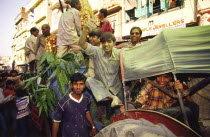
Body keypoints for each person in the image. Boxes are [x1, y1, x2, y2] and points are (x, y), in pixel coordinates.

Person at [135, 73, 201, 134]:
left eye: (166, 77)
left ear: (170, 78)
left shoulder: (171, 86)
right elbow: (142, 94)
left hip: (167, 113)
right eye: (159, 76)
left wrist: (181, 91)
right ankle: (194, 133)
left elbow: (189, 102)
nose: (162, 80)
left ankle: (196, 133)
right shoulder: (150, 84)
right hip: (154, 113)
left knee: (193, 106)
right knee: (185, 110)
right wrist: (142, 98)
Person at [78, 19, 123, 108]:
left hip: (116, 88)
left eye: (109, 42)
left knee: (120, 115)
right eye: (104, 42)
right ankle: (113, 98)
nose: (106, 44)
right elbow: (82, 43)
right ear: (101, 43)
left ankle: (115, 99)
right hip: (102, 89)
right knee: (89, 80)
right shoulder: (96, 51)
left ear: (114, 43)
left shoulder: (119, 53)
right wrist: (84, 30)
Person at [52, 73, 97, 137]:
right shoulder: (63, 102)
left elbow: (87, 112)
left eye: (81, 84)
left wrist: (93, 126)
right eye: (75, 84)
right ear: (71, 85)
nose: (78, 87)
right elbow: (56, 122)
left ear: (84, 85)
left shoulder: (86, 99)